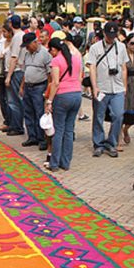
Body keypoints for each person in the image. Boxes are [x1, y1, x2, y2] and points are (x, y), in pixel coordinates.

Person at [87, 21, 128, 158]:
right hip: (101, 87)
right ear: (104, 33)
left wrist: (125, 86)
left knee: (118, 115)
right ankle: (98, 144)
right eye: (109, 35)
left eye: (114, 35)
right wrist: (94, 87)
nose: (111, 38)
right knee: (98, 116)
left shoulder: (121, 47)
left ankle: (112, 143)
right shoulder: (95, 48)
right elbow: (92, 67)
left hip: (117, 87)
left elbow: (123, 68)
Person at [46, 37, 82, 171]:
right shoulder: (77, 58)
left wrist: (49, 101)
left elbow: (55, 83)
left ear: (55, 49)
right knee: (69, 130)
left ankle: (54, 163)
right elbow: (79, 77)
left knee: (58, 130)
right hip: (76, 95)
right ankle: (65, 162)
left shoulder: (56, 61)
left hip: (62, 96)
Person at [20, 32, 52, 150]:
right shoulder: (27, 54)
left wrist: (48, 90)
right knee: (28, 112)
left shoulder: (45, 54)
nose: (27, 48)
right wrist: (22, 86)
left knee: (39, 113)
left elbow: (50, 74)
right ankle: (32, 136)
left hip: (39, 87)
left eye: (28, 45)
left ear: (35, 42)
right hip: (28, 86)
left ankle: (42, 138)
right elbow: (26, 70)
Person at [5, 15, 26, 136]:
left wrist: (9, 75)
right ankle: (13, 124)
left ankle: (17, 126)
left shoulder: (18, 37)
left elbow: (14, 57)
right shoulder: (18, 36)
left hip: (16, 71)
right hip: (17, 70)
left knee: (15, 101)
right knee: (12, 100)